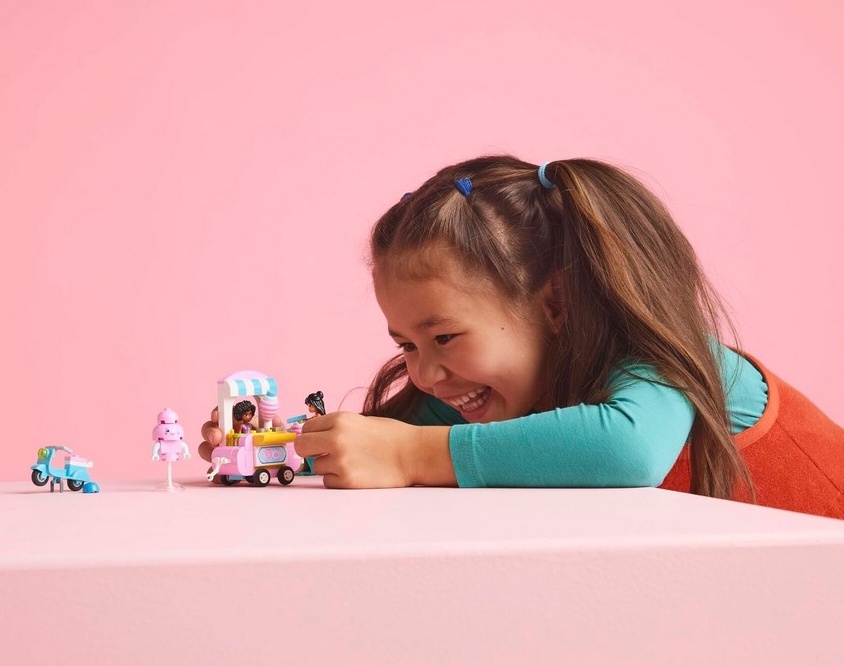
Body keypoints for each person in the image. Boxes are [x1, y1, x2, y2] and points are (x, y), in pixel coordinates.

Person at [290, 155, 843, 519]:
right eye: (406, 345)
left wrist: (411, 454)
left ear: (555, 304)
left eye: (445, 338)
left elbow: (628, 450)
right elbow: (371, 449)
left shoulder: (649, 356)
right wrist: (278, 445)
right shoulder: (489, 390)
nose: (425, 374)